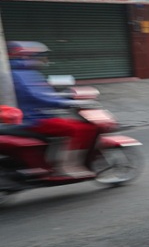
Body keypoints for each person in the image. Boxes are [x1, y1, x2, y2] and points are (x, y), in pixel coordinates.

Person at [8, 41, 97, 178]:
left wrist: (68, 95)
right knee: (81, 129)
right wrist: (65, 103)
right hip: (35, 120)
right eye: (41, 56)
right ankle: (67, 165)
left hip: (40, 116)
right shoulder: (20, 75)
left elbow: (44, 92)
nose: (44, 60)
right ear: (27, 56)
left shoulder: (27, 73)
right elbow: (38, 97)